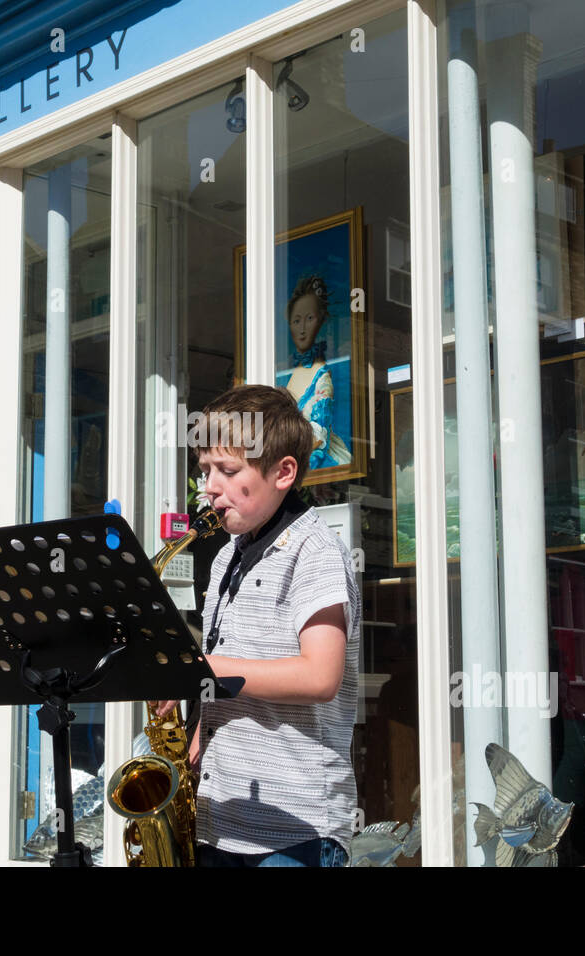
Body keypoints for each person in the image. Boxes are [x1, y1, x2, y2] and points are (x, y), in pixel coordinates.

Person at [162, 384, 361, 867]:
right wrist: (187, 746)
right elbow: (226, 688)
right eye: (205, 469)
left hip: (292, 829)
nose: (209, 486)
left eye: (228, 471)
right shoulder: (228, 555)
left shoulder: (314, 550)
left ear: (283, 473)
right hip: (221, 818)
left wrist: (206, 666)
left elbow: (320, 677)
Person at [283, 274, 352, 469]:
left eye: (309, 319)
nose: (302, 329)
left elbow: (318, 436)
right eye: (296, 321)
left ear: (321, 323)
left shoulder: (322, 377)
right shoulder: (283, 374)